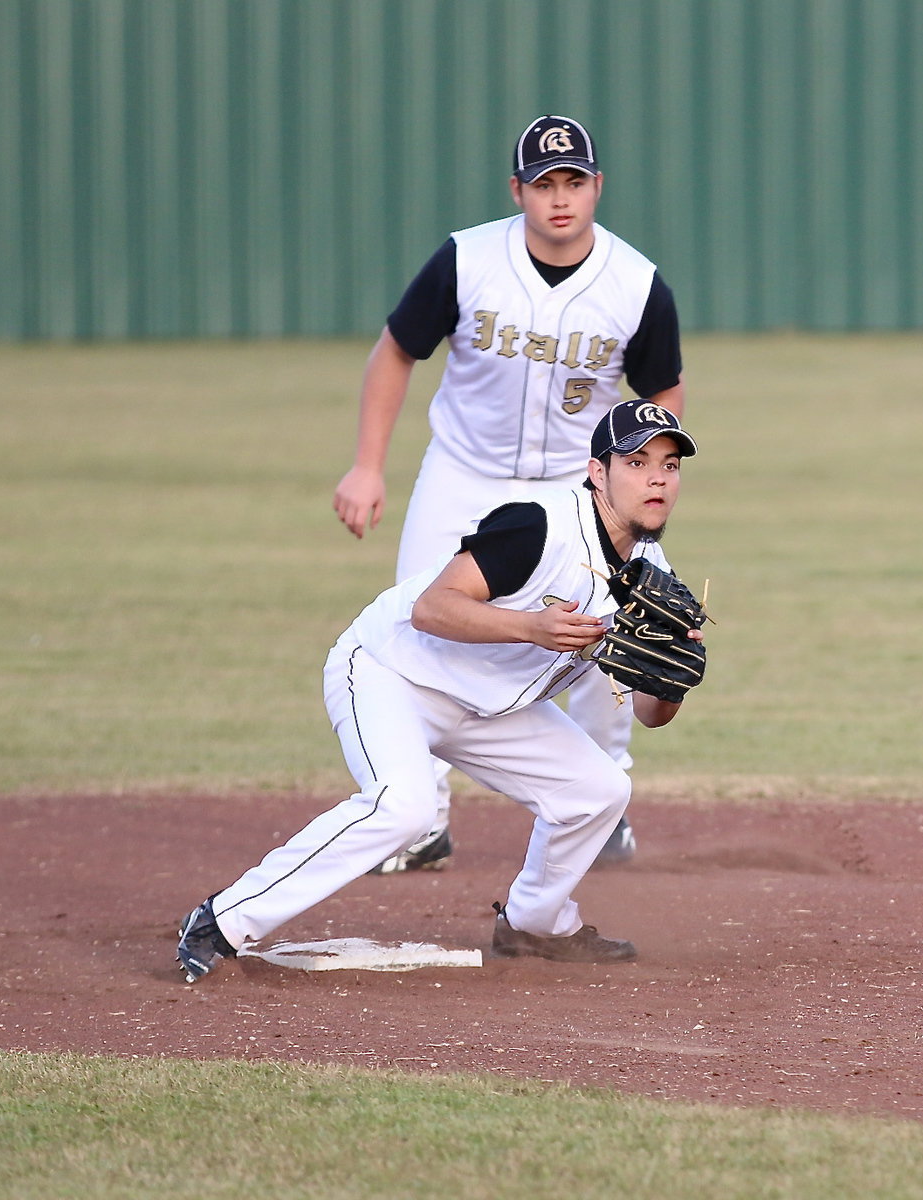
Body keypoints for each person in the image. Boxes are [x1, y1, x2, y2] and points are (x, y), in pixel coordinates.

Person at [177, 400, 701, 981]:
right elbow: (432, 609)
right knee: (405, 807)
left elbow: (654, 713)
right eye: (636, 460)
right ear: (598, 472)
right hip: (393, 671)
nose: (657, 477)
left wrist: (674, 675)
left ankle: (534, 923)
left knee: (600, 789)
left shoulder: (654, 579)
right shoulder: (540, 524)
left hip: (490, 705)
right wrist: (533, 627)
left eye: (671, 464)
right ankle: (222, 920)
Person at [332, 114, 685, 872]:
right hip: (465, 469)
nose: (561, 198)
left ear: (598, 186)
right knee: (421, 624)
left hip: (578, 487)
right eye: (545, 183)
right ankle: (418, 815)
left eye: (575, 181)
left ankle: (604, 808)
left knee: (612, 641)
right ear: (518, 190)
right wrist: (368, 464)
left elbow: (665, 394)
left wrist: (642, 492)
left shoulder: (635, 284)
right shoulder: (466, 261)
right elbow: (396, 352)